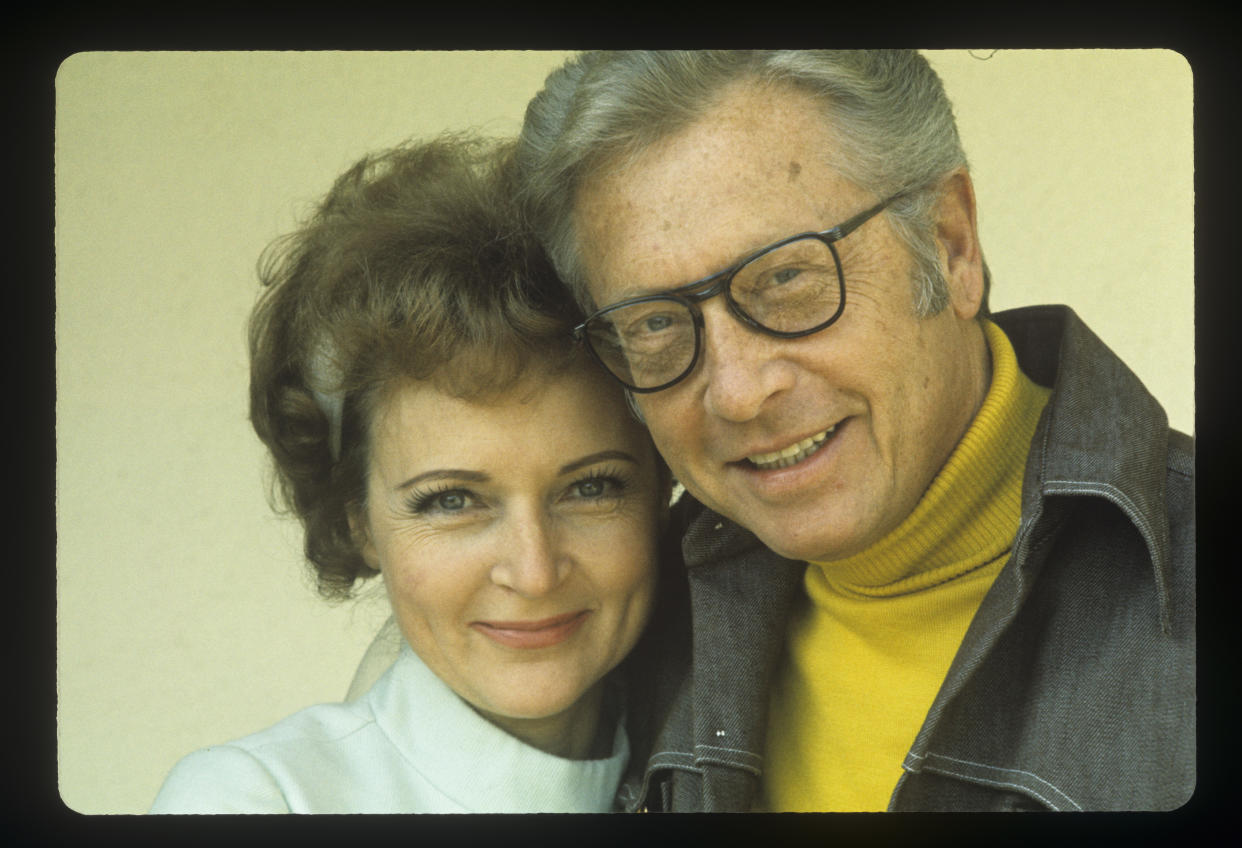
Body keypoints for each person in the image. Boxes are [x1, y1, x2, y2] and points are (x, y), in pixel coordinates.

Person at [511, 50, 1195, 812]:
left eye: (785, 279)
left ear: (950, 243)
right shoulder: (630, 616)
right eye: (657, 323)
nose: (737, 392)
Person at [149, 135, 674, 813]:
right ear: (358, 523)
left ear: (664, 488)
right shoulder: (257, 799)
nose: (535, 570)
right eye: (453, 500)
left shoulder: (750, 755)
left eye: (591, 487)